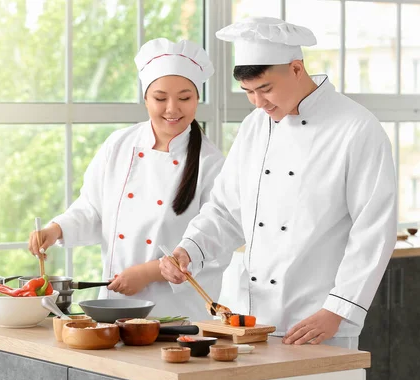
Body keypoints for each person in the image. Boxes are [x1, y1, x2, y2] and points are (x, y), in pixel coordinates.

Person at [159, 17, 397, 349]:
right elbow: (227, 212)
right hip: (246, 321)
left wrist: (338, 310)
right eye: (248, 93)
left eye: (266, 89)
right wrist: (189, 249)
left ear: (297, 69)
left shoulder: (356, 129)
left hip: (316, 323)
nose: (258, 103)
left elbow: (373, 231)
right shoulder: (254, 126)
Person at [29, 38, 230, 321]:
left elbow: (214, 243)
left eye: (185, 98)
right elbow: (93, 209)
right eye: (160, 98)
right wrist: (56, 229)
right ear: (145, 98)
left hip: (174, 317)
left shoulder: (211, 163)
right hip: (114, 307)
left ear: (197, 99)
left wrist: (149, 273)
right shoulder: (119, 145)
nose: (172, 109)